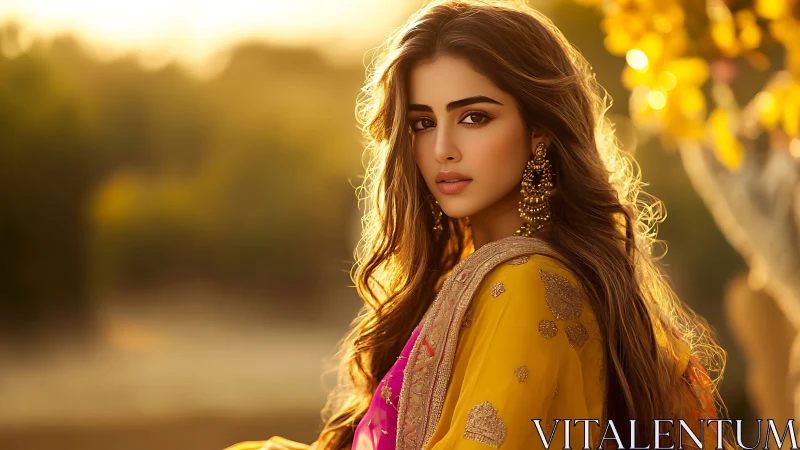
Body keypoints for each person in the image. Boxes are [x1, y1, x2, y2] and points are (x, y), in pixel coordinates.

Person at [225, 0, 735, 448]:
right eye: (423, 123)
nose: (442, 148)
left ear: (539, 130)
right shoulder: (488, 278)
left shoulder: (526, 284)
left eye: (473, 117)